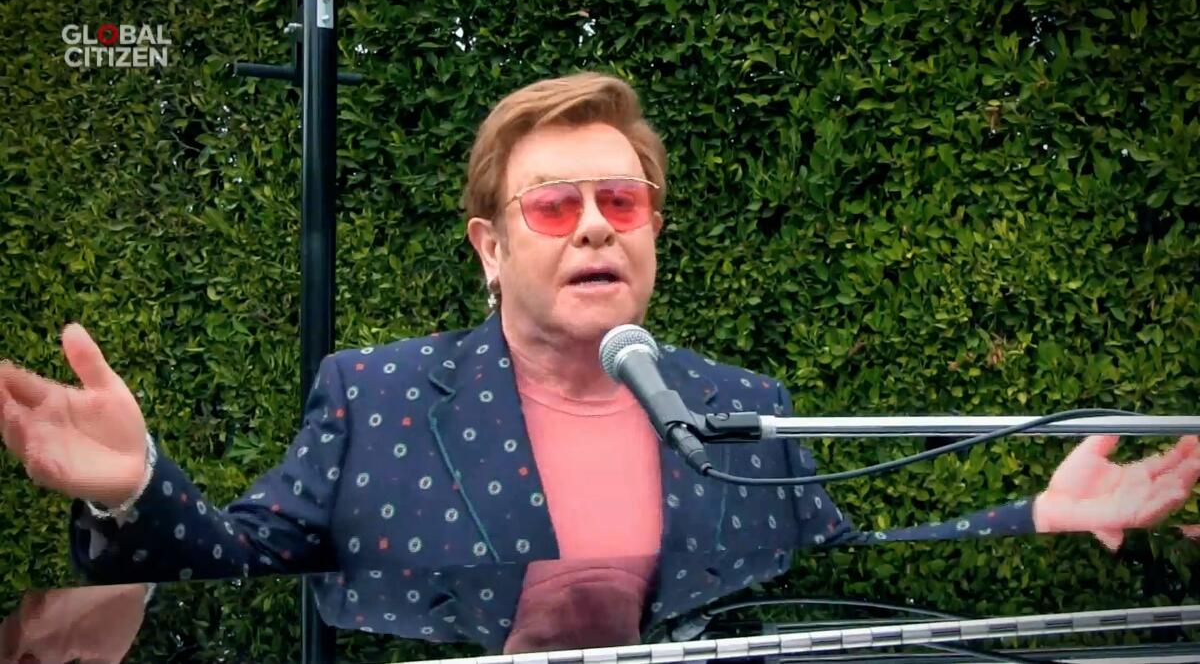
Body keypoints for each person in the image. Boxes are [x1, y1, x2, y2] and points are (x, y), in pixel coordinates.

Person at [1, 72, 1198, 652]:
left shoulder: (739, 407)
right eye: (554, 204)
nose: (591, 227)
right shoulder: (375, 395)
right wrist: (131, 486)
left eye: (621, 200)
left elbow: (833, 578)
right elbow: (236, 565)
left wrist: (1039, 513)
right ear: (488, 245)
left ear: (654, 229)